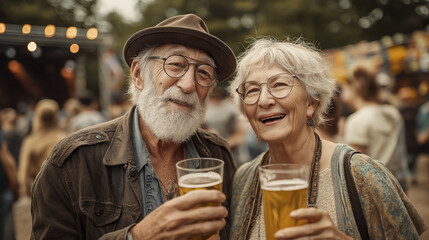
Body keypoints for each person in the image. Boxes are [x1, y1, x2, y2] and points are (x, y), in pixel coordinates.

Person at [31, 14, 237, 240]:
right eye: (176, 64)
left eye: (204, 73)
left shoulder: (219, 155)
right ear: (138, 74)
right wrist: (137, 236)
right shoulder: (74, 162)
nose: (189, 85)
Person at [228, 38, 427, 239]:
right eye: (252, 90)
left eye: (279, 84)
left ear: (311, 102)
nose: (264, 100)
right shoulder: (242, 180)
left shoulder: (365, 175)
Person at [341, 62, 409, 192]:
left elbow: (356, 169)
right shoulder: (392, 113)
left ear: (354, 88)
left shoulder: (357, 121)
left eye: (344, 88)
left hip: (375, 190)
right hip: (396, 184)